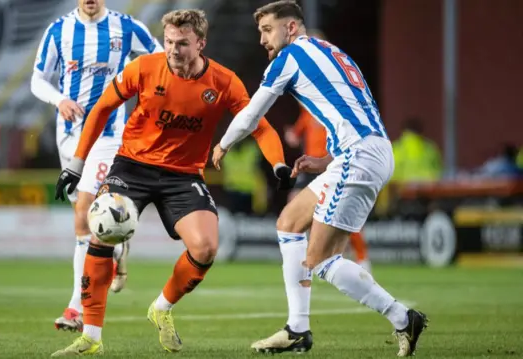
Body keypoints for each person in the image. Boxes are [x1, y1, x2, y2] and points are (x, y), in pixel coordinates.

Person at [52, 9, 295, 356]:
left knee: (206, 248)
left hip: (183, 175)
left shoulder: (224, 82)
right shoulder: (144, 68)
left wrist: (279, 163)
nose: (173, 50)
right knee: (101, 229)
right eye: (168, 42)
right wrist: (77, 164)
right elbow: (102, 108)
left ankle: (161, 308)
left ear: (201, 43)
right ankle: (91, 337)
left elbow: (260, 126)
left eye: (182, 43)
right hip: (132, 165)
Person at [212, 1, 427, 356]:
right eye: (260, 32)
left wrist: (222, 145)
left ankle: (402, 317)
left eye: (268, 30)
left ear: (292, 28)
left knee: (322, 261)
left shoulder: (291, 56)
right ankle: (297, 328)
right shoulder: (333, 51)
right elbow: (354, 112)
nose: (263, 40)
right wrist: (325, 159)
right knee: (289, 222)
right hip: (361, 151)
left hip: (358, 157)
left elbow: (251, 114)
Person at [31, 0, 163, 332]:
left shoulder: (127, 27)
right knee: (86, 221)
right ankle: (117, 244)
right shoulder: (59, 30)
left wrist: (146, 99)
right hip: (70, 137)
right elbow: (38, 80)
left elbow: (161, 61)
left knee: (85, 209)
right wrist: (59, 100)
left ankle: (75, 307)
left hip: (109, 135)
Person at [287, 104, 372, 271]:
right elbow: (295, 135)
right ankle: (307, 256)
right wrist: (291, 136)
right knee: (295, 202)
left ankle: (362, 257)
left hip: (331, 164)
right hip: (311, 166)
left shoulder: (336, 111)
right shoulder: (307, 113)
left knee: (345, 211)